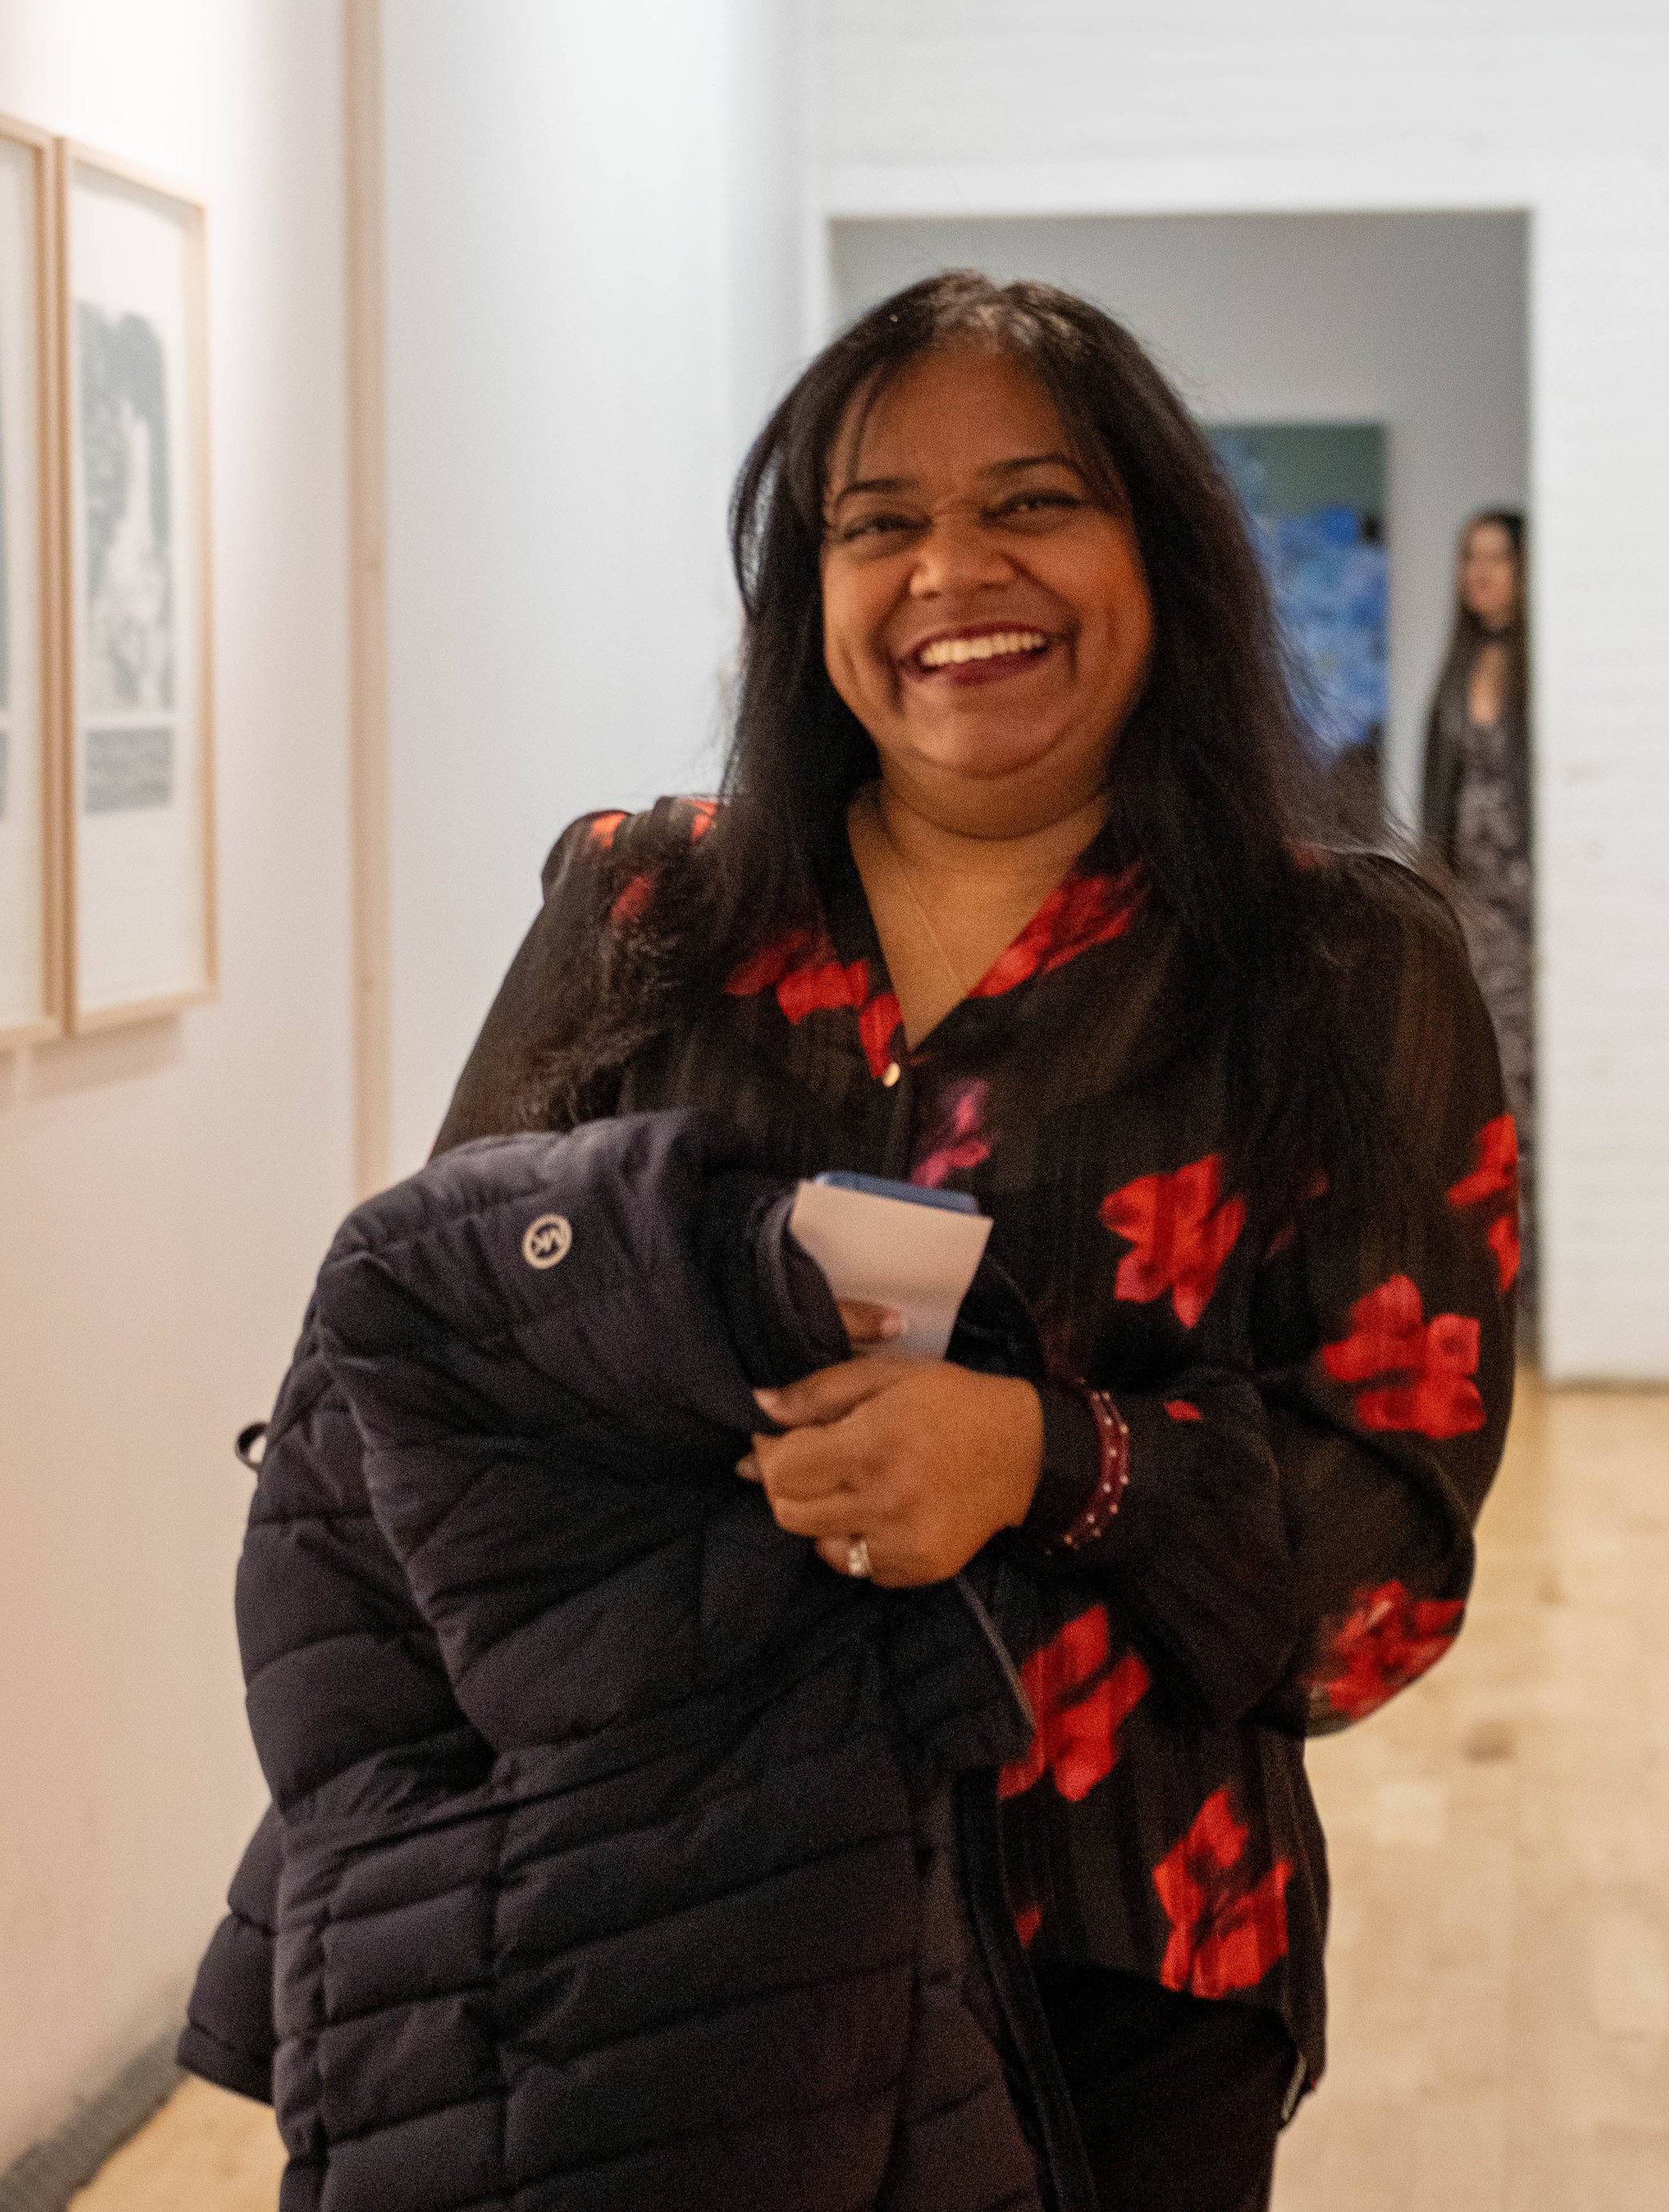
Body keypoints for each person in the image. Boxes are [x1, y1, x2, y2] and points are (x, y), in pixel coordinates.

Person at [186, 273, 1515, 2212]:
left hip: (1111, 1957)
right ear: (805, 591)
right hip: (652, 1952)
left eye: (1034, 502)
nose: (952, 570)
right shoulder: (645, 908)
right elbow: (415, 1378)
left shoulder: (1339, 967)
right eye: (877, 521)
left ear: (1162, 550)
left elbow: (1387, 1564)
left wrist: (1052, 1464)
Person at [1421, 509, 1535, 1332]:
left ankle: (1535, 1293)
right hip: (1474, 904)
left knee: (1530, 1094)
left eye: (1498, 558)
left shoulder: (1541, 666)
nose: (1483, 573)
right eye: (1472, 558)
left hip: (1531, 908)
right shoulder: (1460, 666)